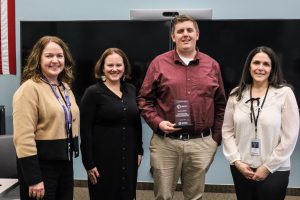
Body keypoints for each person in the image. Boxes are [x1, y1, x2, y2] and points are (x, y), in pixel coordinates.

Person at [137, 15, 226, 200]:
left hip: (201, 144)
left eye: (189, 30)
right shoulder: (158, 63)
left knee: (194, 196)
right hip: (166, 143)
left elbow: (221, 105)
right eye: (180, 31)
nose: (185, 34)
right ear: (173, 37)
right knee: (163, 196)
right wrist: (158, 123)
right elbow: (144, 100)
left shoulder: (212, 65)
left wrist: (215, 139)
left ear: (197, 34)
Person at [222, 46, 299, 200]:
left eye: (266, 64)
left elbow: (290, 136)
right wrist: (236, 161)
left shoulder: (284, 93)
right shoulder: (236, 94)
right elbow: (227, 131)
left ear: (272, 69)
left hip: (275, 169)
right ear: (249, 66)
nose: (260, 68)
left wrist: (268, 167)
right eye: (256, 63)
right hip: (242, 167)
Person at [13, 35, 80, 200]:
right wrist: (34, 179)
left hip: (64, 162)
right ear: (38, 58)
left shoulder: (64, 87)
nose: (55, 60)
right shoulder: (29, 89)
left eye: (59, 56)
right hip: (41, 166)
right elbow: (23, 138)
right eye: (49, 56)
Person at [80, 48, 143, 200]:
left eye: (118, 65)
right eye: (110, 65)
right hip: (103, 159)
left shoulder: (131, 89)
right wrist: (88, 164)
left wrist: (139, 150)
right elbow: (85, 131)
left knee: (127, 194)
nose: (114, 69)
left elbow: (136, 122)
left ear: (125, 67)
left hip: (128, 156)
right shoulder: (92, 93)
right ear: (102, 67)